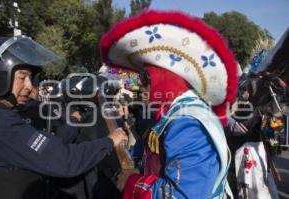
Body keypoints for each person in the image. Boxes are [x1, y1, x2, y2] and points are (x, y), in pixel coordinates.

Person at [100, 10, 239, 198]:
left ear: (167, 79)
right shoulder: (171, 114)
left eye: (146, 77)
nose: (139, 85)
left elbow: (183, 195)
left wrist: (132, 182)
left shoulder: (189, 123)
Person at [0, 35, 128, 199]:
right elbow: (64, 160)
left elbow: (48, 143)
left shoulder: (1, 115)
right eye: (22, 77)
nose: (28, 85)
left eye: (30, 78)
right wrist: (110, 141)